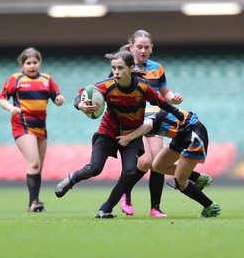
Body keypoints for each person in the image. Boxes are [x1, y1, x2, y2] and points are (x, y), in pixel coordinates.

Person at [54, 50, 185, 218]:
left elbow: (162, 103)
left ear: (131, 68)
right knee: (95, 169)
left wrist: (180, 116)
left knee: (130, 172)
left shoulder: (143, 88)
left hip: (131, 134)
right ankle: (72, 179)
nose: (116, 72)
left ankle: (105, 208)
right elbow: (80, 96)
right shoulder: (106, 86)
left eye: (120, 68)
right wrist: (81, 105)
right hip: (108, 132)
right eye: (113, 68)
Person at [119, 30, 212, 217]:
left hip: (155, 119)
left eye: (146, 47)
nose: (143, 50)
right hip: (134, 120)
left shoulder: (157, 68)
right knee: (144, 162)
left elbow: (165, 93)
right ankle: (125, 193)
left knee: (156, 164)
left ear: (151, 48)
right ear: (131, 47)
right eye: (139, 47)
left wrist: (173, 98)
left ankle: (155, 208)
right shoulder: (123, 66)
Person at [117, 108, 221, 217]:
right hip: (179, 136)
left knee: (179, 181)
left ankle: (210, 207)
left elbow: (148, 125)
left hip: (193, 134)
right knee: (158, 166)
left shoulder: (143, 113)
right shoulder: (138, 113)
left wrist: (128, 138)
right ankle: (197, 178)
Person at [0, 47, 65, 212]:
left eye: (35, 62)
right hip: (22, 124)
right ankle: (35, 202)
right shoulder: (16, 79)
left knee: (38, 167)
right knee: (33, 163)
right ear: (22, 64)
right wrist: (10, 108)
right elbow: (1, 98)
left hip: (41, 126)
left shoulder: (47, 79)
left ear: (40, 63)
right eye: (28, 63)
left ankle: (32, 203)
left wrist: (59, 99)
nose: (32, 66)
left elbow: (56, 97)